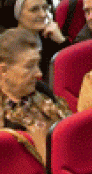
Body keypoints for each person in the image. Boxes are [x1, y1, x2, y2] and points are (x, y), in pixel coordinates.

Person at [0, 28, 71, 161]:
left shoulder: (41, 91)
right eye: (29, 66)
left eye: (37, 64)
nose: (39, 74)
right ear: (3, 70)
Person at [1, 0, 68, 78]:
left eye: (45, 8)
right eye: (34, 9)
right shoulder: (5, 47)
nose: (43, 14)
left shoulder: (50, 39)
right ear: (17, 14)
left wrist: (62, 41)